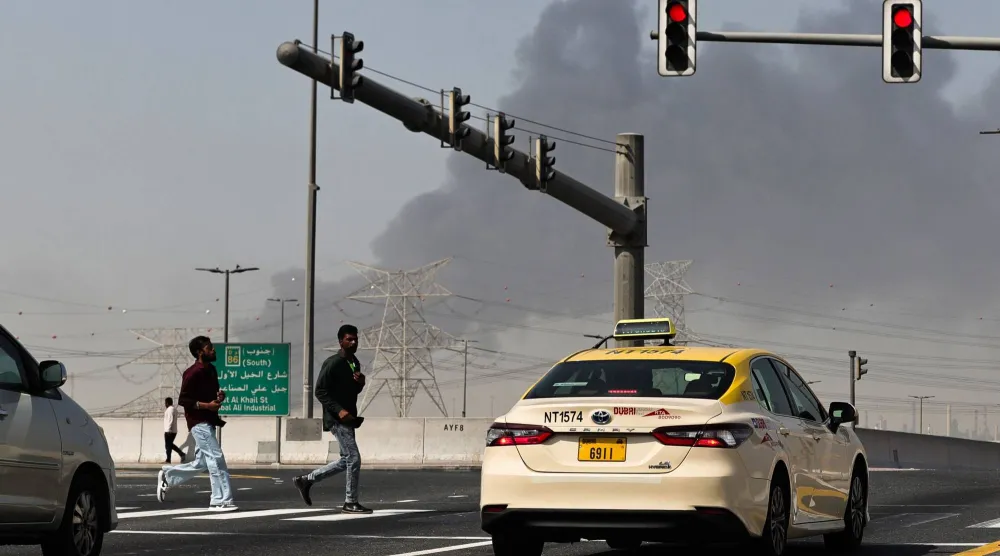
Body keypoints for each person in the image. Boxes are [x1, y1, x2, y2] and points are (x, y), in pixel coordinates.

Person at [293, 324, 372, 513]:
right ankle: (350, 501)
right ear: (341, 341)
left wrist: (361, 384)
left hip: (348, 417)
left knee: (346, 459)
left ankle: (306, 480)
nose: (353, 342)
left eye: (355, 339)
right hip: (336, 418)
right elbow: (320, 391)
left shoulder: (354, 363)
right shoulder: (333, 363)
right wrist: (339, 410)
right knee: (353, 458)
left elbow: (352, 390)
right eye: (349, 339)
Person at [156, 336, 237, 510]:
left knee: (202, 462)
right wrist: (207, 405)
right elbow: (184, 399)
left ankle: (168, 476)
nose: (213, 350)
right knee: (216, 458)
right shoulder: (192, 372)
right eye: (209, 348)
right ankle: (220, 500)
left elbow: (214, 392)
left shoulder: (212, 370)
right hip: (198, 422)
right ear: (200, 352)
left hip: (209, 421)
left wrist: (219, 397)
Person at [163, 397, 186, 464]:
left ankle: (168, 460)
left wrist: (169, 430)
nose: (165, 404)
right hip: (173, 430)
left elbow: (170, 420)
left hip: (169, 431)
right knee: (169, 445)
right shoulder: (174, 409)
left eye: (165, 403)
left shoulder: (170, 409)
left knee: (168, 446)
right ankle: (181, 454)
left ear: (167, 403)